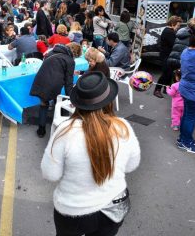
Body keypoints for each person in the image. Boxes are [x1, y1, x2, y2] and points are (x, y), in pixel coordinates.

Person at [41, 72, 140, 236]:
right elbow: (131, 165)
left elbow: (50, 174)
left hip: (73, 208)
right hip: (114, 207)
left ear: (77, 103)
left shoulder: (65, 131)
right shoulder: (123, 126)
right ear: (108, 101)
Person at [30, 44, 75, 138]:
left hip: (41, 79)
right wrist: (70, 98)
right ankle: (60, 126)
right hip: (55, 83)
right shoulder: (69, 60)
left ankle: (41, 130)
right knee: (58, 101)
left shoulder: (51, 53)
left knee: (43, 104)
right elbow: (68, 81)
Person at [153, 16, 183, 98]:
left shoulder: (169, 31)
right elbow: (174, 44)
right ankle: (157, 90)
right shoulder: (169, 32)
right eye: (178, 25)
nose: (178, 27)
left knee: (169, 73)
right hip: (166, 56)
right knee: (165, 74)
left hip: (166, 55)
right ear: (173, 24)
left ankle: (166, 88)